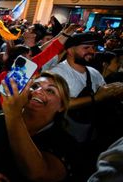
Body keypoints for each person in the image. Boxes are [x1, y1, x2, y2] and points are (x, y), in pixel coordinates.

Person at [0, 72, 75, 182]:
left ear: (62, 106)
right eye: (35, 86)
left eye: (50, 90)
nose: (38, 91)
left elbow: (37, 173)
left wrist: (14, 115)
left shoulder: (66, 142)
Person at [49, 32, 123, 179]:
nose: (92, 51)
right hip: (63, 142)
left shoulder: (94, 73)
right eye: (86, 47)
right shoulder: (58, 73)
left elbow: (105, 96)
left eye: (93, 47)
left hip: (88, 141)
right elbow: (57, 104)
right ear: (70, 50)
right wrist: (96, 98)